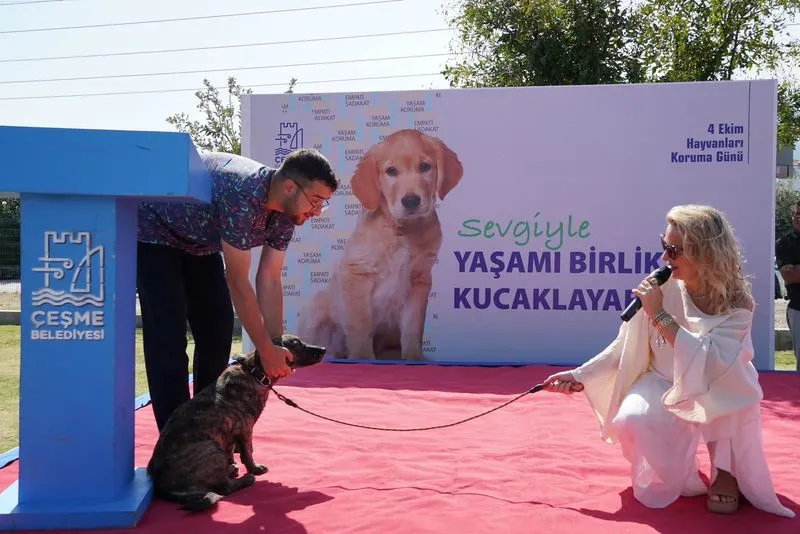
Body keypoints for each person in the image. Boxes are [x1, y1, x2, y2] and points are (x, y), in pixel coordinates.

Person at [543, 204, 794, 518]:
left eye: (674, 251)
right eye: (664, 246)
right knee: (629, 420)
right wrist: (580, 375)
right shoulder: (661, 285)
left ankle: (725, 471)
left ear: (705, 254)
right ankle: (684, 471)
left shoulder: (737, 301)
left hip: (716, 382)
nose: (664, 258)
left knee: (727, 389)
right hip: (662, 380)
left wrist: (659, 315)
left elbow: (712, 361)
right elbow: (624, 346)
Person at [136, 149, 338, 432]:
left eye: (323, 204)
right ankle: (178, 439)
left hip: (201, 243)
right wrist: (265, 351)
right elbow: (238, 281)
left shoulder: (287, 213)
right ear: (290, 186)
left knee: (217, 332)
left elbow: (269, 277)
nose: (317, 212)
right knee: (167, 337)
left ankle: (207, 431)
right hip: (155, 232)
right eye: (315, 201)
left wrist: (274, 343)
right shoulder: (243, 193)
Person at [775, 200, 800, 371]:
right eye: (796, 213)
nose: (798, 217)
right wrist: (793, 271)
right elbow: (789, 275)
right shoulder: (785, 243)